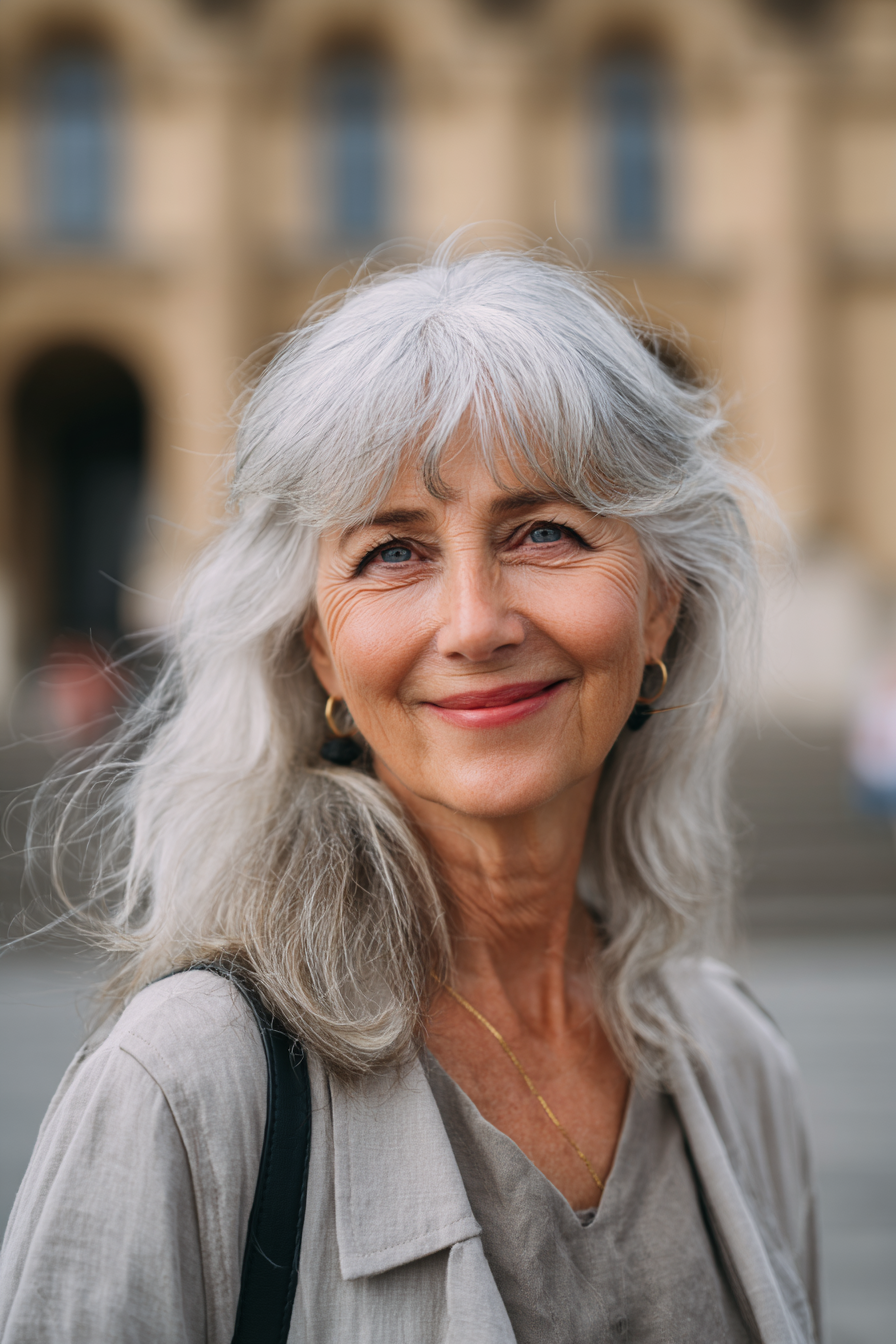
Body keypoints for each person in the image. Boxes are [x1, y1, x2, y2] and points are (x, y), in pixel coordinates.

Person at [0, 241, 819, 1344]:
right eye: (392, 552)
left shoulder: (736, 1060)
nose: (475, 624)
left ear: (660, 606)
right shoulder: (185, 1084)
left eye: (545, 532)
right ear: (321, 651)